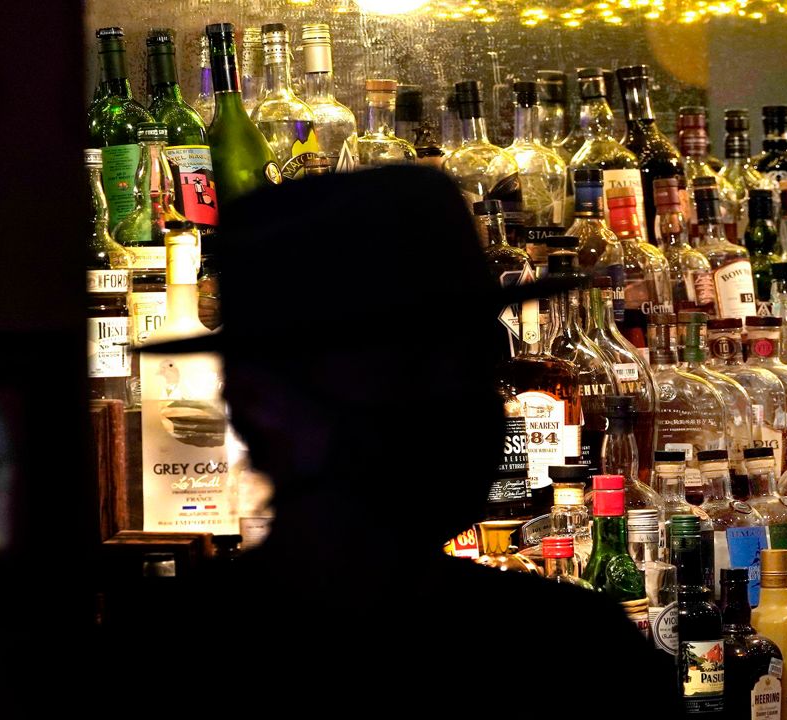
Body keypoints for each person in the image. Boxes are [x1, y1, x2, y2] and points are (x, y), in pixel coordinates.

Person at [122, 166, 675, 715]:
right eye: (404, 370)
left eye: (472, 368)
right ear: (258, 403)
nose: (453, 404)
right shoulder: (568, 652)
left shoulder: (577, 655)